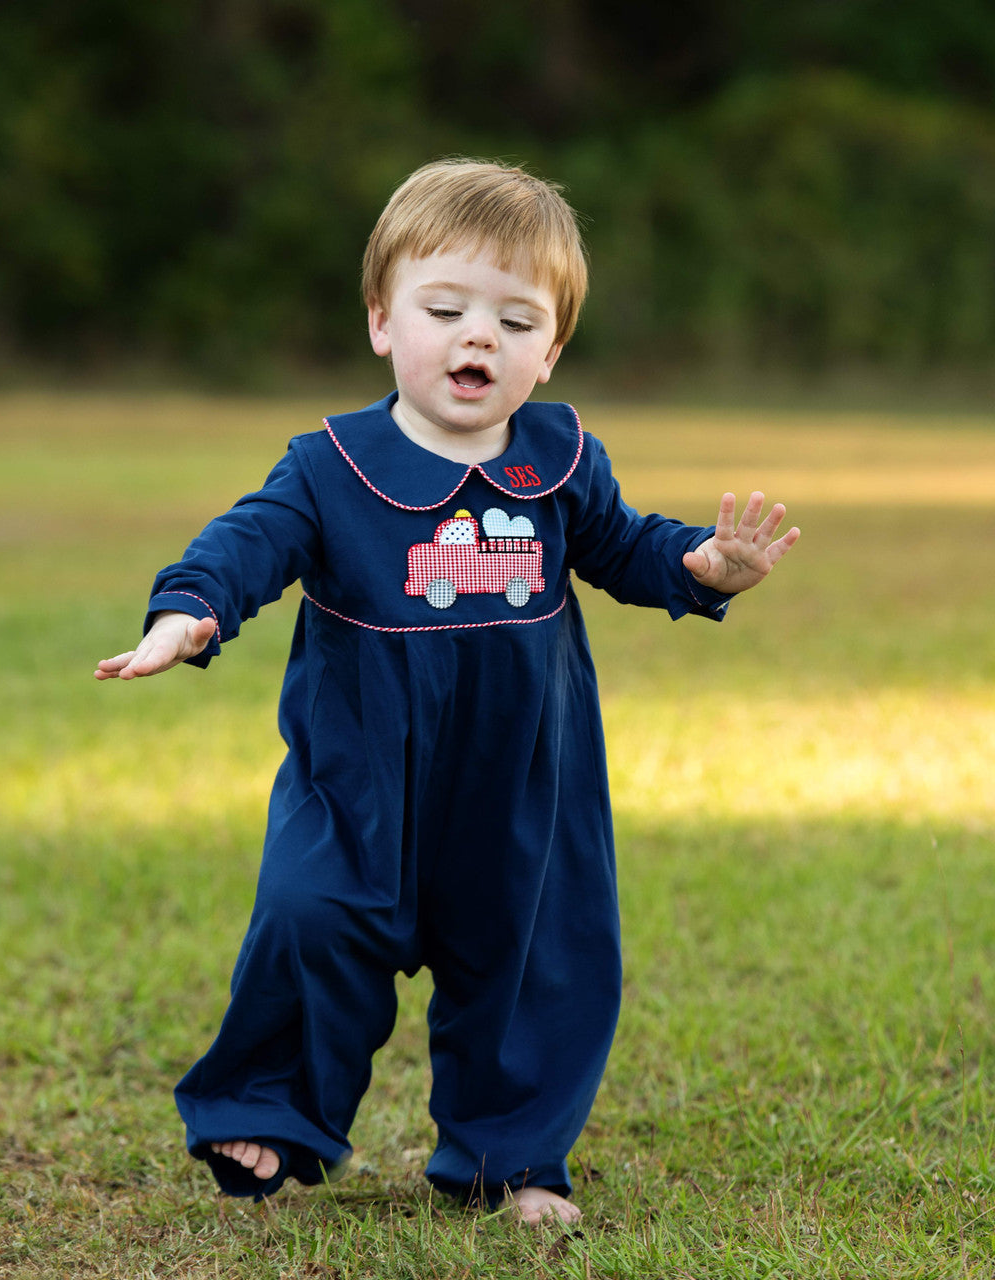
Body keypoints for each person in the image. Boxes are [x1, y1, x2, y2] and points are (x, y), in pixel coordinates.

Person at [94, 158, 799, 1226]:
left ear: (551, 347)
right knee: (308, 916)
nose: (480, 337)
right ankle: (275, 1113)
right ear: (382, 319)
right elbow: (250, 540)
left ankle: (507, 1158)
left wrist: (699, 566)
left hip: (518, 782)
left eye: (517, 321)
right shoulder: (331, 464)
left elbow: (621, 545)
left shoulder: (560, 460)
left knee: (536, 958)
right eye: (446, 308)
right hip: (359, 776)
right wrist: (189, 609)